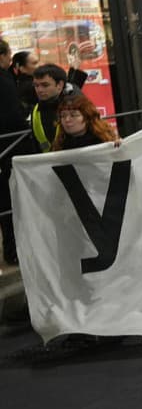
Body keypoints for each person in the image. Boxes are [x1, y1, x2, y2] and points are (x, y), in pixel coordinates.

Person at [0, 41, 31, 263]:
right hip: (9, 149)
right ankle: (13, 251)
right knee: (9, 200)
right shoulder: (3, 80)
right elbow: (11, 118)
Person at [28, 63, 85, 153]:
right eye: (36, 85)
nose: (39, 90)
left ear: (59, 85)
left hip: (77, 160)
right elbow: (36, 143)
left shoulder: (77, 105)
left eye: (45, 85)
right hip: (49, 163)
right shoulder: (36, 110)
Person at [50, 93, 118, 150]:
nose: (67, 120)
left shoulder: (106, 141)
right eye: (63, 116)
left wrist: (119, 147)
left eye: (74, 115)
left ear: (87, 117)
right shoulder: (59, 145)